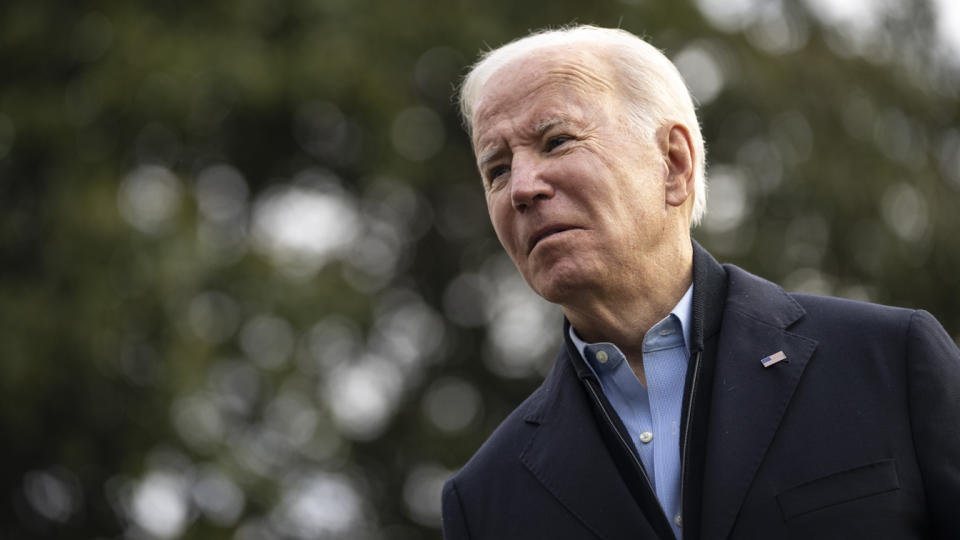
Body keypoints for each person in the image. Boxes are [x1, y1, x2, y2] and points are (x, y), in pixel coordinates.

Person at [440, 25, 960, 540]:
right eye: (498, 170)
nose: (523, 189)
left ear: (673, 164)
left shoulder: (889, 363)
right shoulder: (484, 498)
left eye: (556, 142)